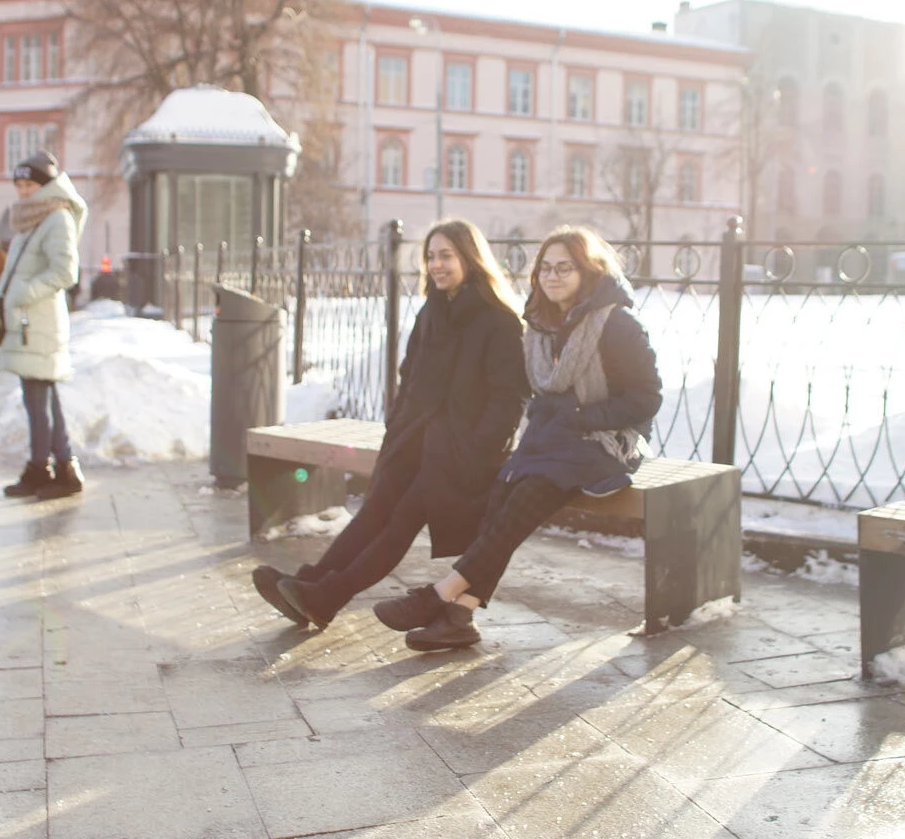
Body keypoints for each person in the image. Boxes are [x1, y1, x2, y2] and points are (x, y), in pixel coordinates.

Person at [384, 226, 661, 651]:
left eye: (564, 268)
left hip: (608, 441)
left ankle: (441, 594)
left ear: (588, 270)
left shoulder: (617, 323)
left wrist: (582, 416)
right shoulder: (542, 325)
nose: (552, 277)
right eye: (545, 268)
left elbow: (647, 399)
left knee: (527, 495)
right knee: (502, 494)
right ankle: (460, 615)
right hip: (558, 437)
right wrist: (564, 419)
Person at [258, 219, 528, 630]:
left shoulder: (499, 320)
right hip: (415, 438)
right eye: (431, 257)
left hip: (461, 452)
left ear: (470, 258)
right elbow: (409, 375)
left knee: (401, 520)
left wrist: (477, 449)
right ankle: (309, 583)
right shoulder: (433, 311)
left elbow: (510, 399)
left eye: (446, 256)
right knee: (374, 512)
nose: (436, 265)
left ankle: (327, 597)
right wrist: (398, 425)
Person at [0, 152, 88, 500]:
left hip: (39, 321)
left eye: (29, 185)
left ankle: (45, 468)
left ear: (46, 185)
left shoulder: (56, 217)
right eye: (19, 185)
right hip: (27, 321)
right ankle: (60, 468)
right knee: (41, 397)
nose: (23, 192)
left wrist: (23, 291)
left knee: (38, 400)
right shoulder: (35, 217)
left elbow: (65, 272)